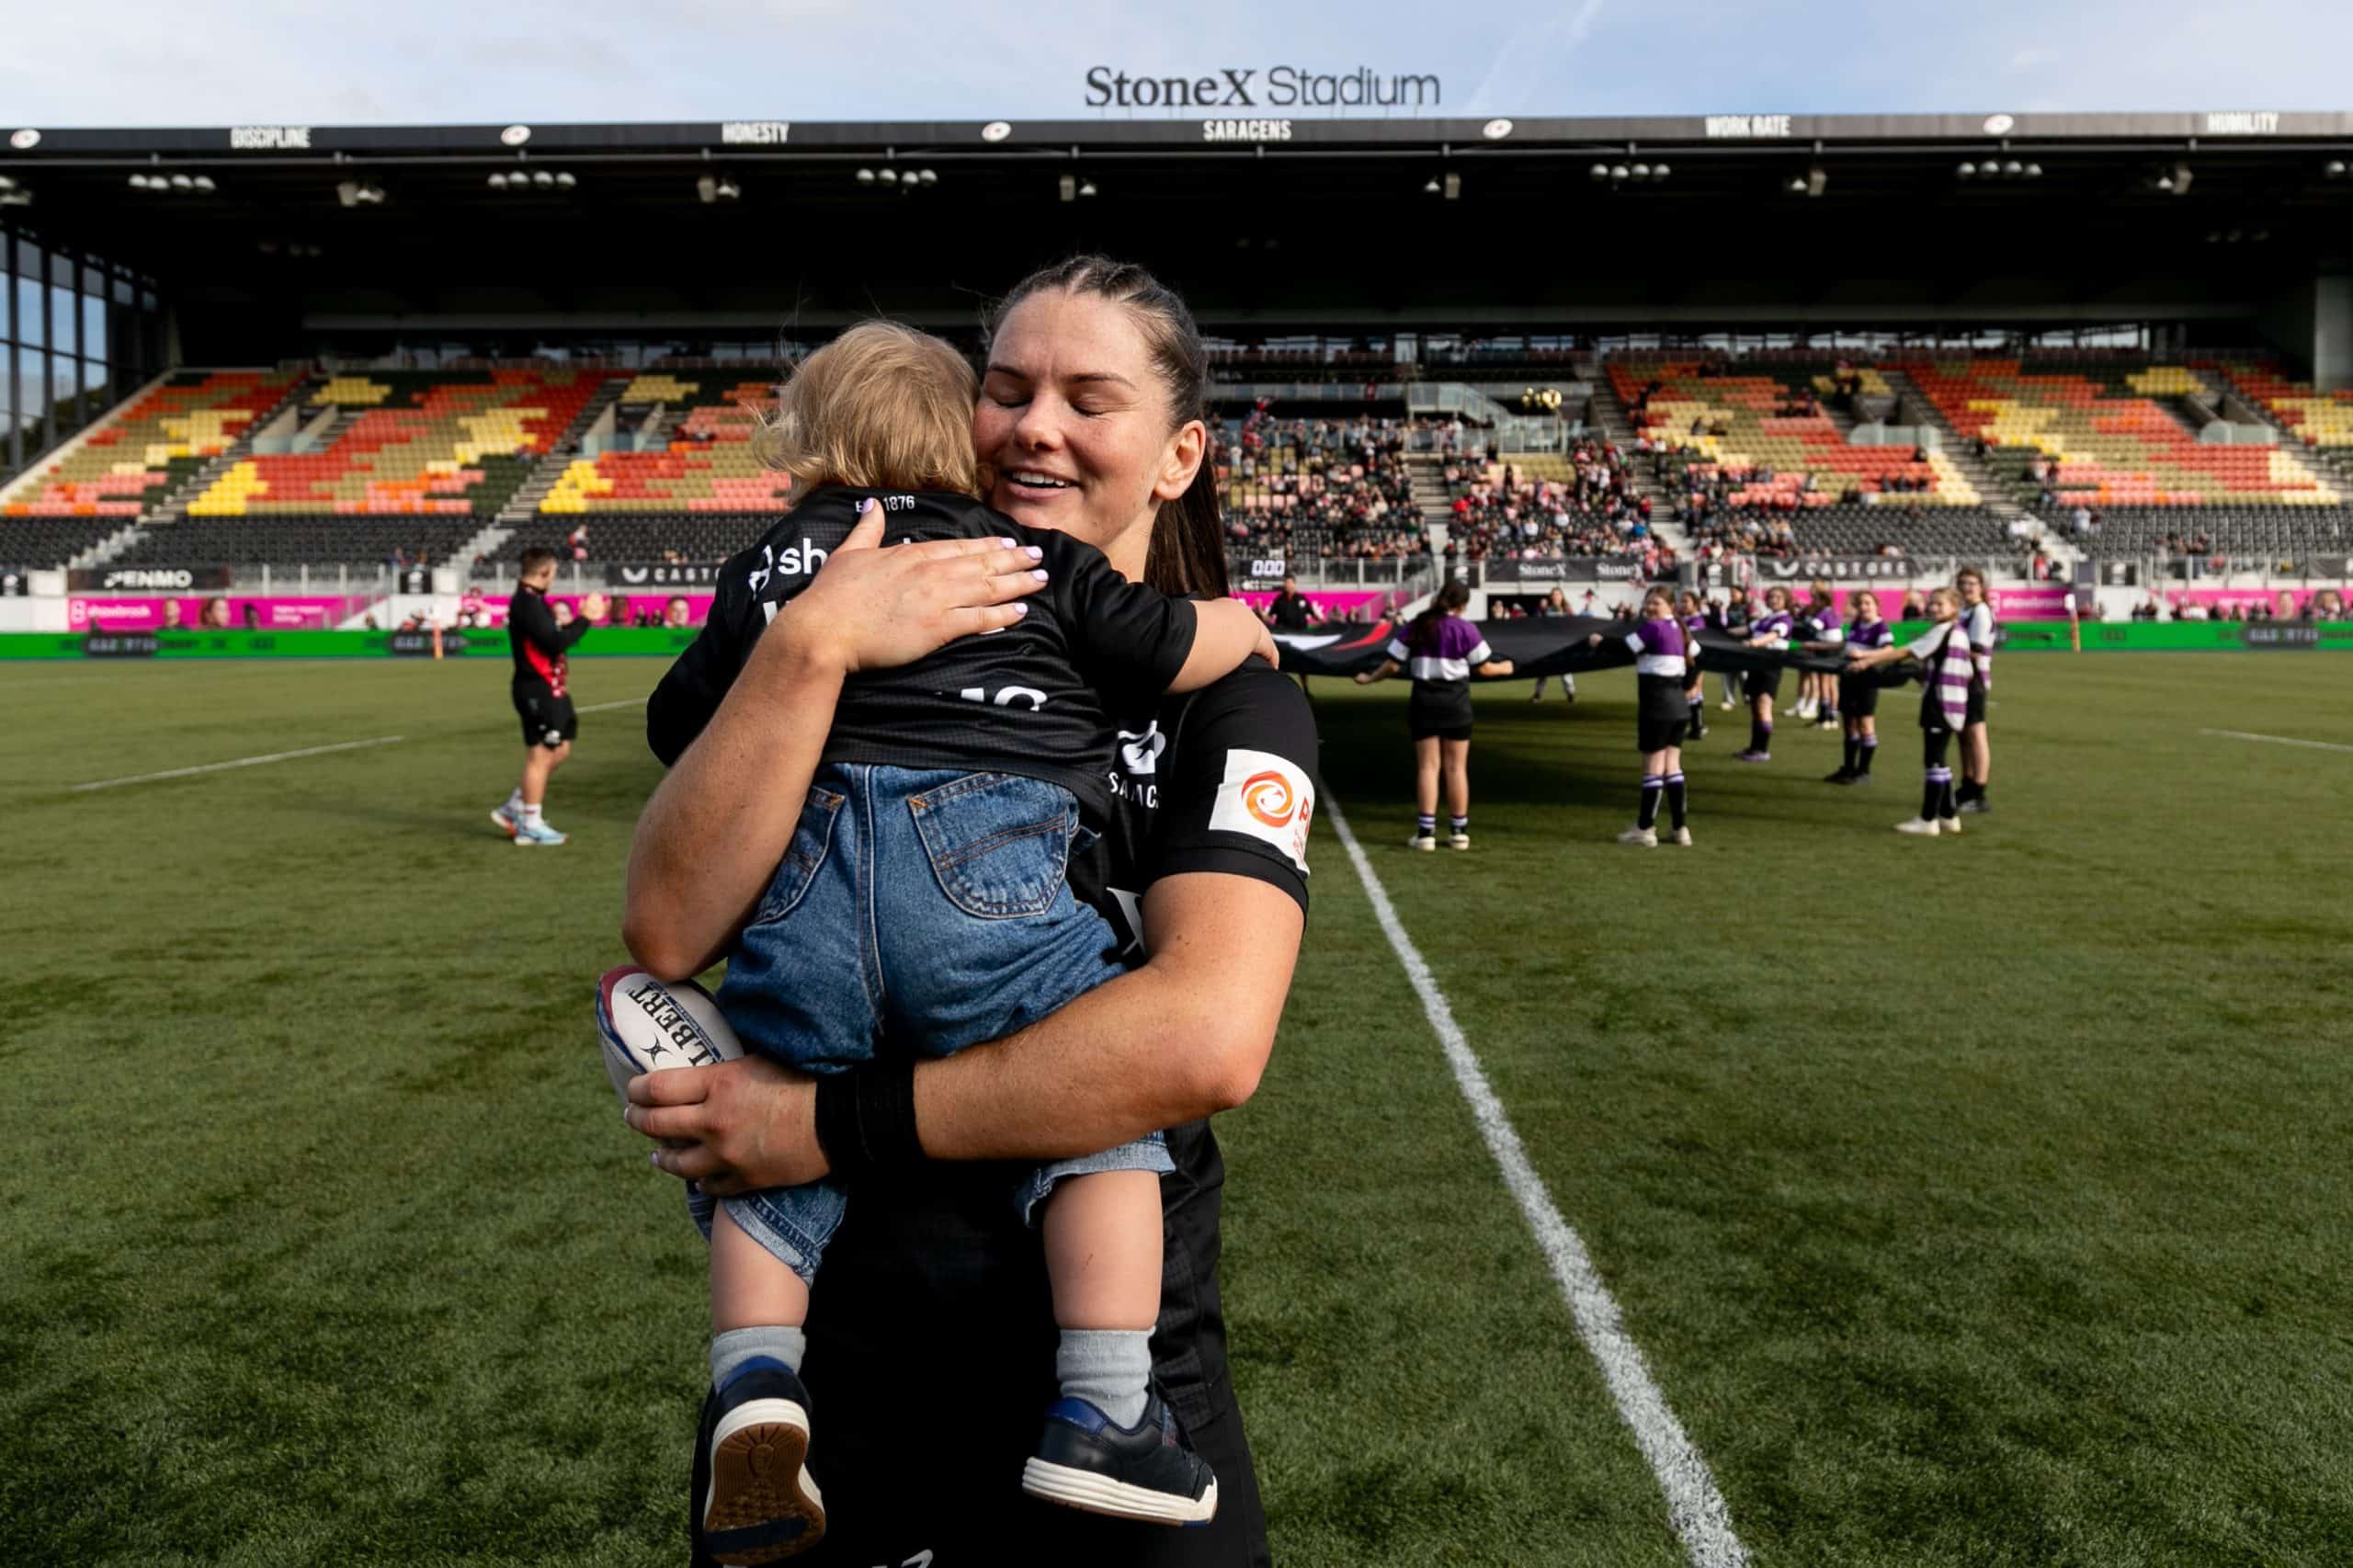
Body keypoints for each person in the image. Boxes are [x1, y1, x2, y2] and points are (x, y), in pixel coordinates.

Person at [620, 256, 1312, 1567]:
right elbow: (665, 925)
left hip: (1105, 1377)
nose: (1036, 424)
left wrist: (812, 1120)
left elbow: (1202, 1042)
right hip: (846, 1395)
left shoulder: (1233, 706)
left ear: (1177, 457)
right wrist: (810, 647)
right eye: (1007, 389)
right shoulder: (823, 641)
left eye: (1089, 397)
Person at [1353, 578, 1515, 849]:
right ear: (1463, 605)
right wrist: (1507, 668)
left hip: (1425, 702)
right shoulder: (1466, 629)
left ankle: (1426, 834)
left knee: (1428, 767)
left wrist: (1369, 679)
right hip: (1456, 703)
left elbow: (1393, 665)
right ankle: (1458, 831)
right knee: (1456, 768)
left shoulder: (1418, 624)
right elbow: (1484, 668)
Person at [491, 549, 606, 846]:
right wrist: (585, 619)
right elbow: (554, 643)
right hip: (536, 690)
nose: (555, 578)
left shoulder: (534, 602)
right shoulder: (527, 603)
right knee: (541, 755)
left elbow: (551, 638)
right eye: (553, 572)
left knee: (561, 749)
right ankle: (529, 822)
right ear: (543, 572)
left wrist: (577, 622)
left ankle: (515, 807)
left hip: (552, 689)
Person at [1846, 585, 1976, 835]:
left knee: (1933, 759)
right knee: (1940, 758)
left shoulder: (1942, 630)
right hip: (1955, 703)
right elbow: (1965, 672)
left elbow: (1906, 651)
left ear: (1954, 608)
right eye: (1932, 603)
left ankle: (1928, 819)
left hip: (1940, 703)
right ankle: (1948, 814)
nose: (1934, 607)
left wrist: (1867, 661)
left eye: (1940, 604)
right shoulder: (1959, 633)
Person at [1592, 586, 1692, 846]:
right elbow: (1698, 656)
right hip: (1679, 705)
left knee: (1653, 768)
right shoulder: (1680, 629)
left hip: (1657, 705)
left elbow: (1626, 648)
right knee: (1673, 767)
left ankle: (1645, 828)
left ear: (1670, 606)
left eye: (1655, 603)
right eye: (1647, 603)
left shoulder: (1654, 628)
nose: (1649, 608)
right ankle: (1680, 829)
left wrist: (1598, 641)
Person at [1826, 589, 1891, 784]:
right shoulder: (1856, 625)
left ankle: (1864, 772)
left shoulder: (1881, 628)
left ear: (1876, 606)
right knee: (1849, 724)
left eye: (1867, 603)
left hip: (1867, 679)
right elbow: (1844, 645)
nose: (1863, 607)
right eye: (1860, 604)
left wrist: (1863, 656)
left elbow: (1888, 650)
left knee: (1865, 724)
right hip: (1849, 677)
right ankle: (1848, 768)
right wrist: (1815, 646)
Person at [1735, 585, 1795, 763]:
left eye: (1778, 597)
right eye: (1771, 597)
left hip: (1769, 666)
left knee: (1763, 705)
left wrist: (1755, 643)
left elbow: (1774, 636)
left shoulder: (1785, 619)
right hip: (1756, 664)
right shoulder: (1766, 618)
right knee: (1755, 707)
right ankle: (1754, 747)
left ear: (1785, 601)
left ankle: (1762, 749)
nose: (1773, 600)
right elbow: (1743, 629)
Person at [1953, 567, 1995, 813]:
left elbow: (1976, 650)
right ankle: (1967, 784)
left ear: (1981, 586)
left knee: (1976, 734)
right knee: (1962, 735)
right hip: (1960, 677)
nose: (1967, 587)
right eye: (1963, 583)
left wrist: (1945, 649)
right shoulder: (1963, 611)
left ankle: (1979, 791)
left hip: (1974, 679)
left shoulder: (1980, 612)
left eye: (1972, 583)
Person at [1797, 582, 1844, 731]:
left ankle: (1823, 717)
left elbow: (1811, 628)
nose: (1814, 602)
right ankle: (1833, 717)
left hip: (1825, 648)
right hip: (1836, 648)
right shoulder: (1833, 612)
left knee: (1824, 681)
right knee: (1832, 683)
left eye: (1816, 599)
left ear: (1823, 601)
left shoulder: (1823, 613)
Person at [1529, 585, 1577, 704]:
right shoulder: (1546, 610)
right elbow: (1537, 623)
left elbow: (1575, 624)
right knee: (1542, 672)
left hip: (1563, 646)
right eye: (1554, 594)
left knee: (1566, 673)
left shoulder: (1567, 610)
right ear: (1551, 597)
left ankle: (1570, 694)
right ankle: (1538, 695)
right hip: (1548, 646)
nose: (1556, 597)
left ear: (1562, 596)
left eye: (1558, 594)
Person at [1675, 588, 1709, 740]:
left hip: (1693, 662)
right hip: (1685, 662)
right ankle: (1697, 727)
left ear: (1695, 604)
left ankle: (1694, 727)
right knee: (1693, 693)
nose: (1682, 604)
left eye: (1686, 601)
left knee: (1691, 692)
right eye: (1681, 601)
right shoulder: (1684, 619)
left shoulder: (1697, 621)